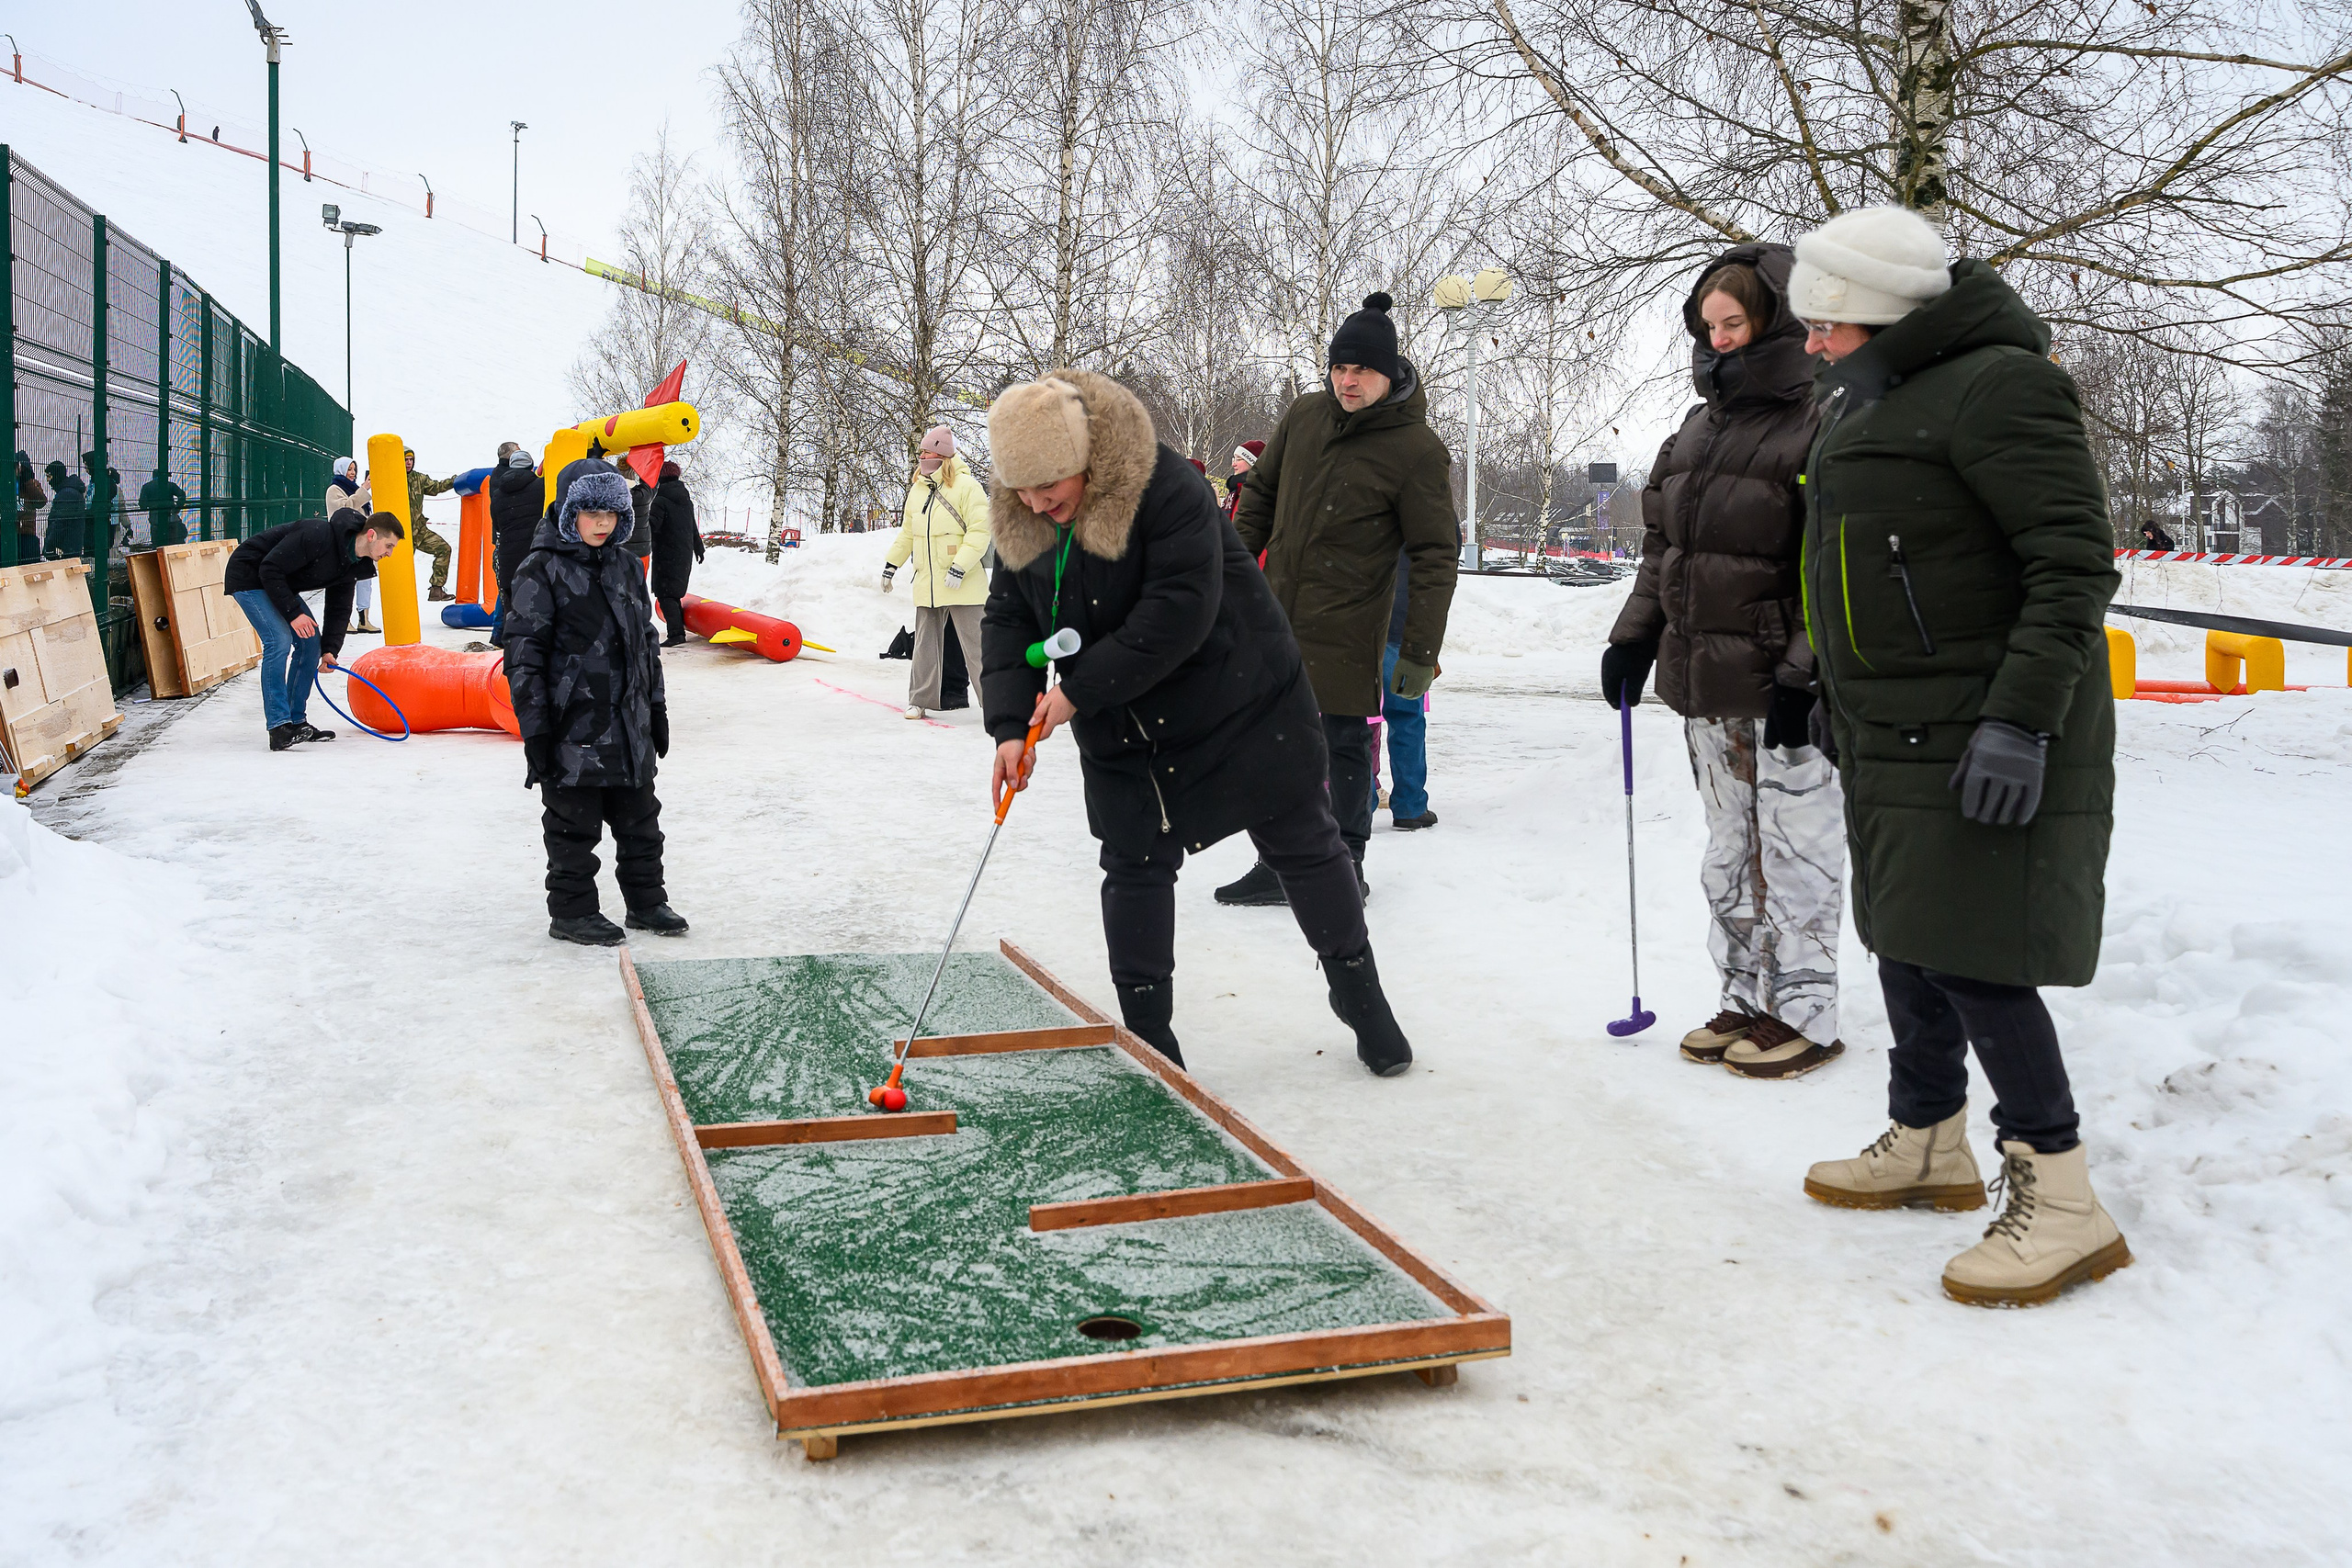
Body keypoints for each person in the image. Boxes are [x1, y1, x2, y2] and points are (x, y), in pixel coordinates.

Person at [1787, 206, 2128, 1307]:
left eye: (1826, 322)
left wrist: (2022, 719)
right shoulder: (1878, 396)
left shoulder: (2001, 387)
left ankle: (2062, 1199)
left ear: (1879, 315)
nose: (1811, 343)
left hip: (1977, 721)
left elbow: (2071, 565)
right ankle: (1929, 1139)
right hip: (1892, 722)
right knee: (1905, 938)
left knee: (1978, 957)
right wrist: (1830, 682)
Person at [980, 370, 1416, 1077]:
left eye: (1050, 485)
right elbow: (1006, 621)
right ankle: (1152, 1041)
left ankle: (1358, 990)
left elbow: (1179, 608)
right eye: (1021, 490)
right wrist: (1008, 725)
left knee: (1303, 841)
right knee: (1131, 860)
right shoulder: (1024, 517)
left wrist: (1076, 693)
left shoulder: (1165, 488)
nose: (1036, 502)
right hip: (1124, 723)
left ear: (1084, 458)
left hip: (1235, 699)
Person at [1602, 243, 1844, 1079]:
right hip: (1706, 679)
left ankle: (1804, 1010)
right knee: (1729, 848)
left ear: (1774, 318)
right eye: (1709, 327)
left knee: (1795, 850)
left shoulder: (1818, 420)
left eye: (1734, 323)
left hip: (1784, 684)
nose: (1721, 340)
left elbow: (1830, 563)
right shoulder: (1698, 429)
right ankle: (1746, 996)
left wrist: (1805, 672)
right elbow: (1664, 545)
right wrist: (1635, 635)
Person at [1227, 292, 1458, 906]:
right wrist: (1232, 573)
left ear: (1389, 372)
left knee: (1342, 743)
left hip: (1354, 623)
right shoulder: (1304, 417)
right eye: (1339, 367)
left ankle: (1343, 864)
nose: (1347, 380)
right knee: (1271, 743)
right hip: (1278, 615)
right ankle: (1276, 862)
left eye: (1361, 370)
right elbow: (1260, 496)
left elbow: (1436, 553)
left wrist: (1419, 649)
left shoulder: (1417, 450)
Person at [504, 466, 687, 946]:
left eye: (612, 511)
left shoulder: (627, 566)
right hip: (573, 728)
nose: (602, 522)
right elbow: (523, 655)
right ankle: (572, 913)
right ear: (570, 512)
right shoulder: (540, 568)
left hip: (628, 727)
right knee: (572, 829)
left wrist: (657, 707)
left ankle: (647, 904)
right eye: (591, 511)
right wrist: (536, 730)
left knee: (642, 824)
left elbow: (646, 644)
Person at [222, 509, 404, 750]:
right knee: (279, 640)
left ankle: (295, 722)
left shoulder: (354, 563)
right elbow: (270, 569)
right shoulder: (319, 535)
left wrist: (329, 650)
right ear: (371, 535)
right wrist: (293, 614)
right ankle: (278, 727)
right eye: (389, 545)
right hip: (250, 575)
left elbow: (339, 609)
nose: (390, 554)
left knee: (310, 643)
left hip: (278, 583)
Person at [884, 424, 992, 718]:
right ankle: (920, 700)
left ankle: (996, 702)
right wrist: (891, 565)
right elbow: (908, 533)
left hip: (962, 580)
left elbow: (980, 532)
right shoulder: (918, 490)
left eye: (925, 451)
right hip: (928, 580)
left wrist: (959, 567)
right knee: (925, 645)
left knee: (977, 646)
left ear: (941, 454)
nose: (920, 456)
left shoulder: (968, 487)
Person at [1376, 546, 1436, 830]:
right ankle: (1410, 805)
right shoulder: (1424, 506)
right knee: (1407, 718)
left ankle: (1357, 805)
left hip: (1361, 623)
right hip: (1404, 626)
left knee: (1357, 720)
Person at [650, 460, 706, 647]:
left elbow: (652, 526)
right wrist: (698, 547)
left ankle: (676, 634)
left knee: (665, 594)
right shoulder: (685, 499)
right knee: (672, 593)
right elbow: (692, 527)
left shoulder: (660, 500)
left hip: (666, 554)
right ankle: (677, 630)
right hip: (682, 554)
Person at [324, 458, 379, 634]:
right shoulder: (334, 490)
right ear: (340, 470)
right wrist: (363, 490)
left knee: (365, 579)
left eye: (354, 469)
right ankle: (344, 620)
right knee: (346, 580)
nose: (353, 473)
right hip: (344, 542)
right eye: (349, 469)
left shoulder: (353, 489)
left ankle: (364, 619)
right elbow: (345, 509)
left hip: (361, 542)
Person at [488, 446, 543, 609]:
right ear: (530, 466)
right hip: (534, 556)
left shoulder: (498, 493)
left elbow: (496, 524)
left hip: (508, 558)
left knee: (511, 611)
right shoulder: (541, 487)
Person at [401, 447, 458, 601]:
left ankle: (436, 589)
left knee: (444, 549)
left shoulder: (419, 479)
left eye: (411, 460)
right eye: (405, 459)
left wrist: (453, 481)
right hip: (400, 534)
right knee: (401, 571)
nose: (408, 463)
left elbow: (436, 487)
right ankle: (400, 601)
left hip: (419, 531)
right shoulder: (393, 479)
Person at [41, 461, 87, 560]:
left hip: (66, 546)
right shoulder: (69, 491)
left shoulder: (67, 494)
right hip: (70, 545)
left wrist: (50, 544)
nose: (48, 481)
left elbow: (60, 522)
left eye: (49, 476)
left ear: (56, 476)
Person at [138, 468, 189, 548]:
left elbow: (142, 504)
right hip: (171, 518)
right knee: (173, 542)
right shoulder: (171, 485)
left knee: (157, 544)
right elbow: (182, 495)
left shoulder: (146, 487)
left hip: (155, 520)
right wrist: (177, 507)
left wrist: (150, 506)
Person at [1223, 440, 1264, 528]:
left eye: (1238, 459)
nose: (1233, 464)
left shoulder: (1256, 492)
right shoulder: (1235, 491)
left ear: (1252, 462)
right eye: (1234, 459)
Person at [15, 452, 45, 563]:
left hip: (26, 534)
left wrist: (28, 481)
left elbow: (41, 501)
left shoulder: (31, 484)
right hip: (8, 534)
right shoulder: (8, 483)